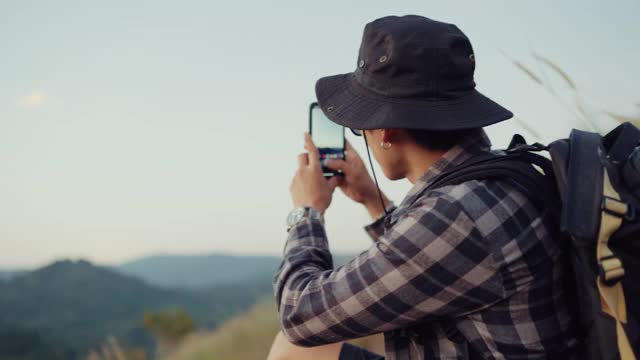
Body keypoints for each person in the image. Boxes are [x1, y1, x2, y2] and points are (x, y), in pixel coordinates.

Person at [269, 15, 578, 360]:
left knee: (292, 346)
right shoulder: (497, 178)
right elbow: (418, 261)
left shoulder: (456, 215)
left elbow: (300, 315)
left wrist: (307, 211)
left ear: (385, 131)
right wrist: (372, 200)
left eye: (361, 128)